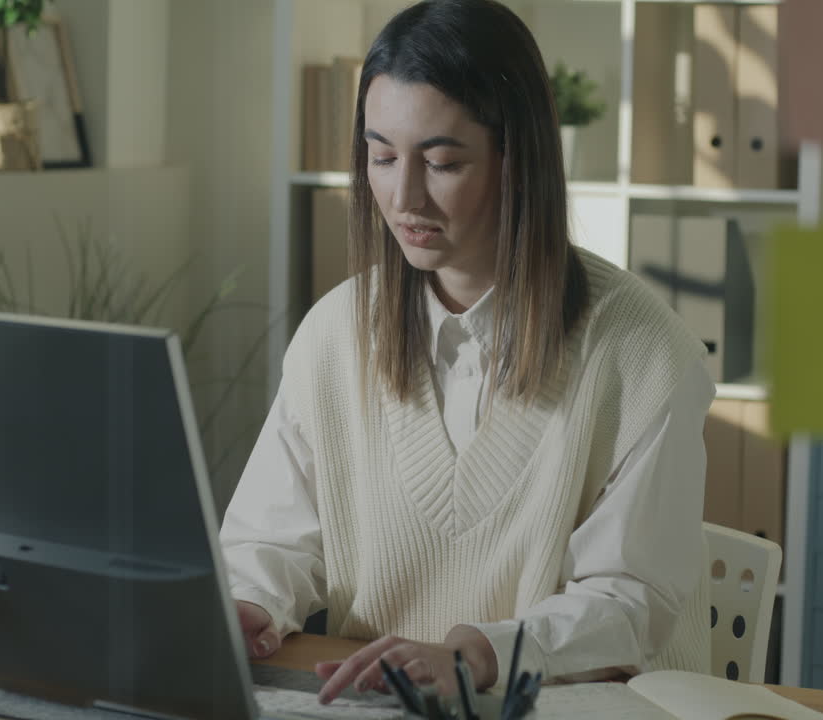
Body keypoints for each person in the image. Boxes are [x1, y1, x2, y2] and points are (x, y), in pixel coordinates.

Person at [220, 0, 713, 704]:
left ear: (518, 161)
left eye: (442, 161)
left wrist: (478, 654)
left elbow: (630, 605)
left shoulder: (644, 354)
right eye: (381, 156)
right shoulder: (334, 334)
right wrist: (250, 605)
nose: (403, 195)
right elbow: (271, 541)